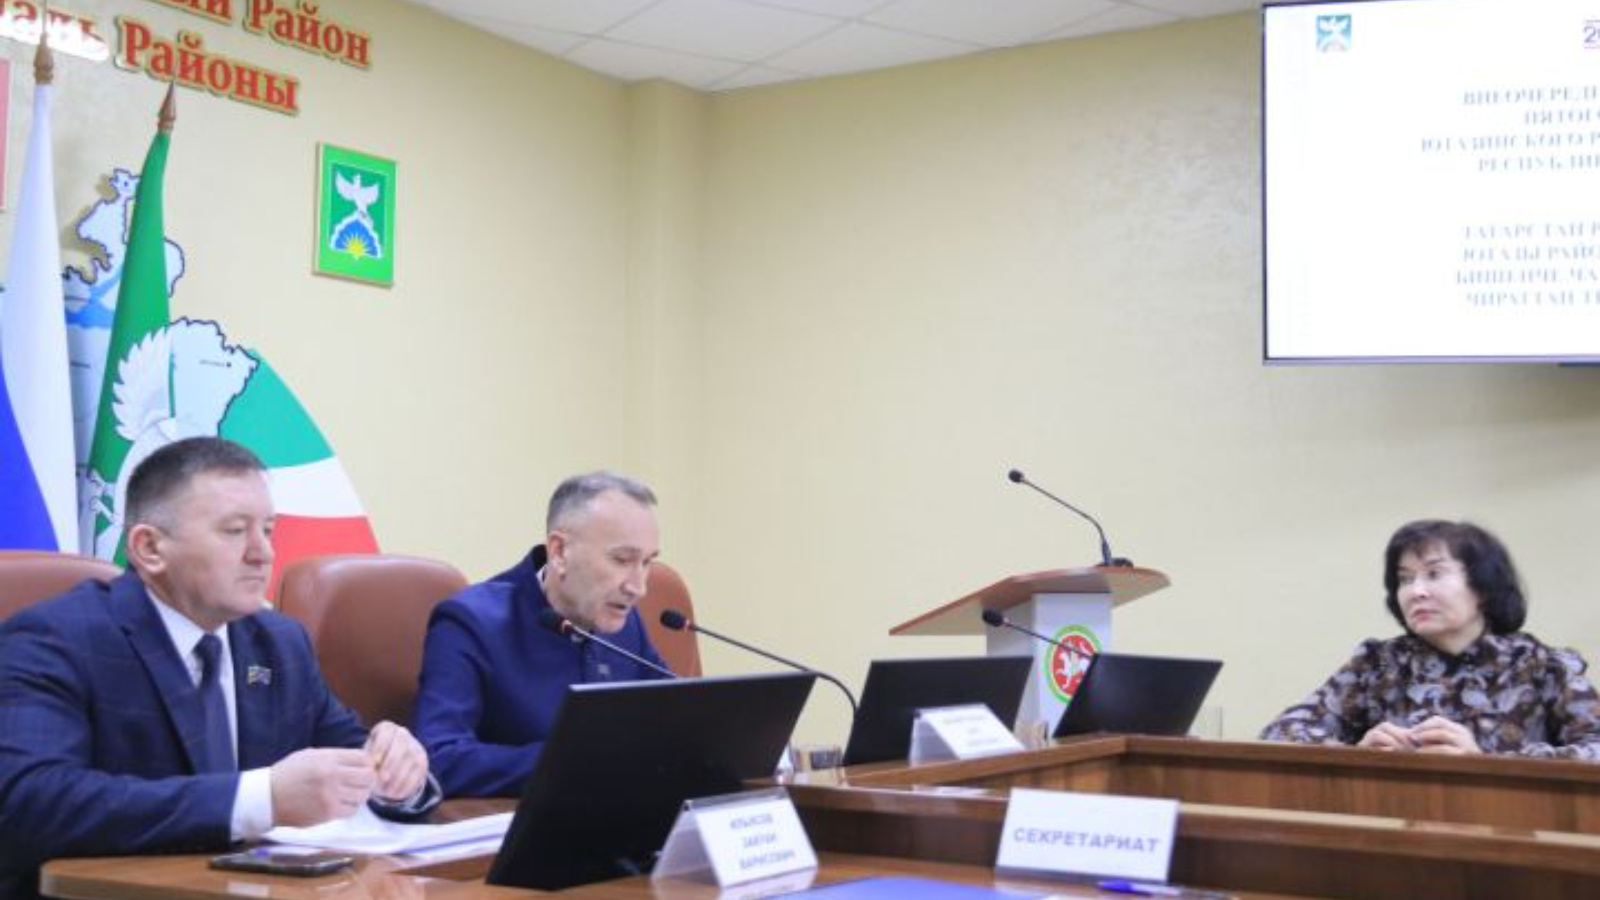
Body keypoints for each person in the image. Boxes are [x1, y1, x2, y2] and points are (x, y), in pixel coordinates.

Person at [0, 438, 440, 899]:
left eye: (268, 530)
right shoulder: (55, 638)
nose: (262, 553)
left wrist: (397, 776)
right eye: (234, 531)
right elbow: (29, 803)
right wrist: (263, 799)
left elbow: (352, 757)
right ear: (150, 548)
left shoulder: (279, 643)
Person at [414, 471, 671, 797]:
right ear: (560, 551)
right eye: (622, 560)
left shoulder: (623, 619)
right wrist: (567, 762)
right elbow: (438, 756)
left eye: (647, 563)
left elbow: (675, 719)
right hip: (520, 820)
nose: (639, 587)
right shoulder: (471, 621)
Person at [1260, 519, 1600, 760]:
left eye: (1434, 574)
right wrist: (1357, 753)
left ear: (1483, 587)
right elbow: (1281, 733)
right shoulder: (1377, 665)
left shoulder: (1541, 666)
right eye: (1405, 579)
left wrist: (1486, 760)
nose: (1416, 592)